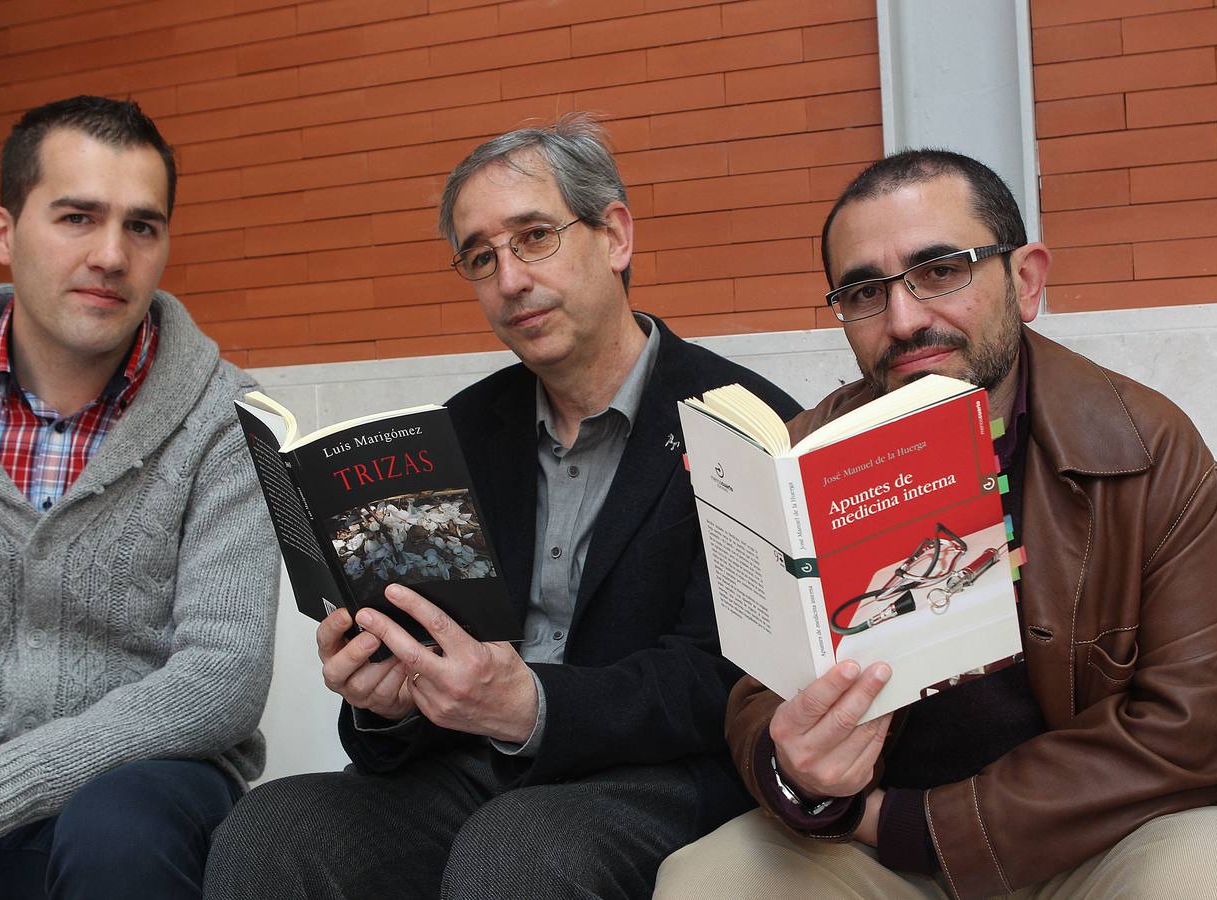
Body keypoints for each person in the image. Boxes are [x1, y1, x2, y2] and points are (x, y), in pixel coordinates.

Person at [653, 149, 1217, 899]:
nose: (904, 318)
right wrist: (795, 770)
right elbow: (757, 693)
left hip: (1110, 835)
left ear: (1025, 280)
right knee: (705, 883)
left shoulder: (1144, 445)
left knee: (1214, 882)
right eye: (864, 290)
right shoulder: (803, 463)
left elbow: (1194, 726)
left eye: (940, 270)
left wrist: (908, 823)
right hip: (872, 853)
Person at [202, 115, 802, 900]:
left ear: (614, 235)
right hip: (471, 767)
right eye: (481, 257)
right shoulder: (456, 435)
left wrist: (536, 705)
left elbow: (733, 679)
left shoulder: (746, 422)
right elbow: (427, 659)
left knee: (516, 852)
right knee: (270, 832)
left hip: (656, 778)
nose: (510, 279)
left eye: (533, 237)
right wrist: (382, 700)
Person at [0, 95, 279, 899]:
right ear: (4, 233)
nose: (112, 255)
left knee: (116, 833)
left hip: (142, 775)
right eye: (77, 218)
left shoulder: (229, 421)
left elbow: (222, 678)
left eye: (142, 226)